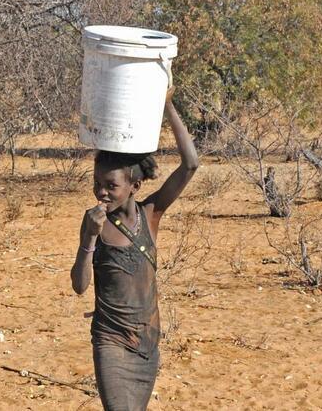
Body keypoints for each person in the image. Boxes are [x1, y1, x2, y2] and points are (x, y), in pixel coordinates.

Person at [70, 88, 198, 411]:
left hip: (147, 347)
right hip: (111, 343)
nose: (101, 191)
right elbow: (79, 285)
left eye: (110, 185)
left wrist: (167, 104)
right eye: (97, 182)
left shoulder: (150, 214)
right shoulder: (95, 225)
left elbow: (190, 164)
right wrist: (88, 239)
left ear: (134, 187)